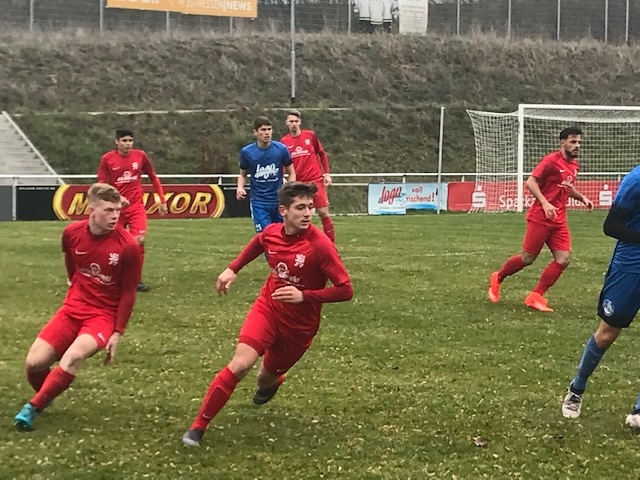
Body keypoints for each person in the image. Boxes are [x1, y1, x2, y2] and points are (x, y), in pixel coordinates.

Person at [181, 182, 354, 447]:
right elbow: (259, 242)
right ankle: (198, 427)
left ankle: (273, 382)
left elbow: (346, 290)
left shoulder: (321, 246)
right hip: (269, 308)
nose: (308, 213)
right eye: (300, 207)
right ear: (283, 211)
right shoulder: (272, 232)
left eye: (310, 207)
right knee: (240, 364)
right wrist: (233, 268)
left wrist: (304, 296)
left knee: (265, 378)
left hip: (299, 327)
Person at [14, 183, 141, 431]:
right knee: (34, 364)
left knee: (73, 357)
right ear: (91, 210)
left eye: (117, 210)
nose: (115, 216)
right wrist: (74, 285)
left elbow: (128, 292)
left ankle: (32, 408)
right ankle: (48, 392)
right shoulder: (71, 233)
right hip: (72, 308)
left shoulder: (128, 246)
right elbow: (71, 263)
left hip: (102, 316)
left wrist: (118, 332)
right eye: (108, 210)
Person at [561, 165, 640, 425]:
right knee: (607, 333)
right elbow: (611, 226)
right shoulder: (636, 180)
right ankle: (576, 389)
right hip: (630, 265)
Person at [488, 126, 594, 312]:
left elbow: (566, 187)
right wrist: (545, 203)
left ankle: (536, 296)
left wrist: (582, 198)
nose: (577, 145)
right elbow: (530, 182)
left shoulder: (574, 166)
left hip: (559, 220)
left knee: (563, 259)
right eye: (573, 142)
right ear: (562, 142)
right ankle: (498, 277)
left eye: (579, 142)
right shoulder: (551, 161)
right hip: (540, 218)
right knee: (527, 258)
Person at [97, 128, 167, 292]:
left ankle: (135, 280)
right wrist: (117, 197)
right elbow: (101, 184)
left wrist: (162, 200)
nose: (128, 144)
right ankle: (111, 277)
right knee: (113, 244)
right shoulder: (107, 159)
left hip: (136, 207)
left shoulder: (140, 156)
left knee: (139, 240)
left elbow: (153, 176)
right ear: (117, 142)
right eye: (124, 141)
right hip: (116, 209)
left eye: (130, 141)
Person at [281, 110, 336, 243]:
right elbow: (283, 161)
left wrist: (326, 173)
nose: (294, 124)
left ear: (300, 122)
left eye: (296, 121)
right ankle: (299, 242)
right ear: (286, 123)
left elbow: (322, 154)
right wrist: (283, 177)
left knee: (323, 212)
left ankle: (330, 245)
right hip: (298, 183)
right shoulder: (284, 141)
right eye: (291, 121)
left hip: (315, 180)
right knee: (298, 215)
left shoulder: (310, 136)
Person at [237, 116, 296, 233]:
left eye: (269, 129)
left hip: (279, 200)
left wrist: (290, 189)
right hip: (259, 201)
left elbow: (291, 172)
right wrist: (240, 188)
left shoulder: (281, 149)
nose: (267, 133)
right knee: (265, 234)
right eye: (263, 130)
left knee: (283, 234)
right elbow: (243, 174)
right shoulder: (247, 152)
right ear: (255, 132)